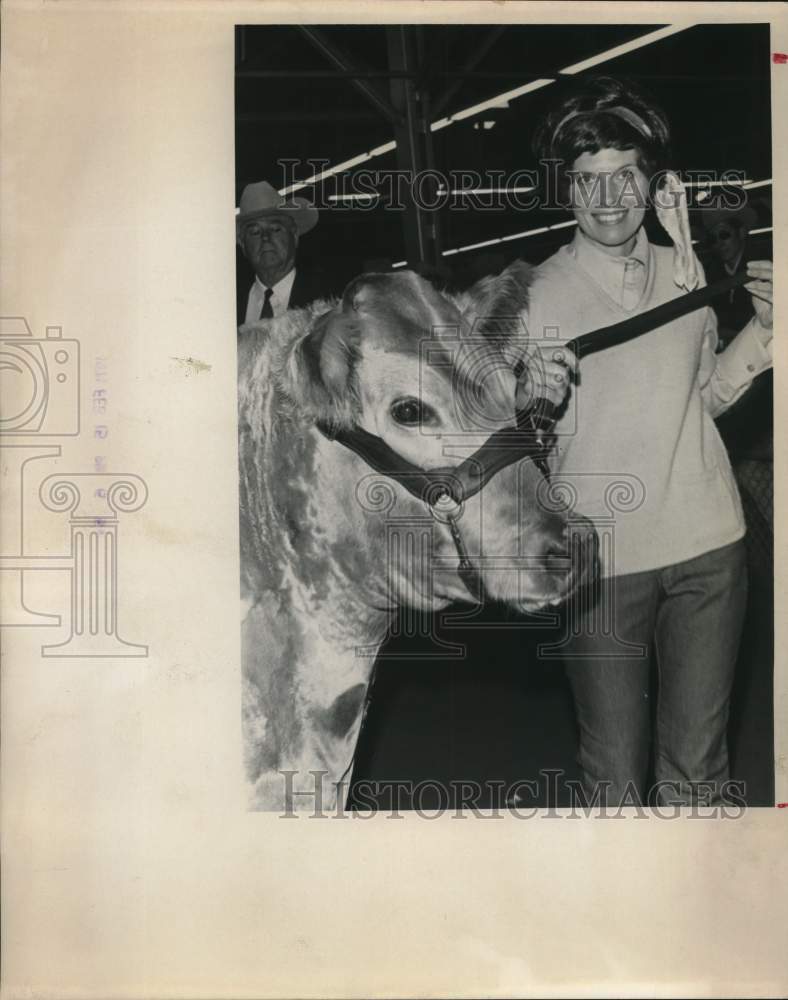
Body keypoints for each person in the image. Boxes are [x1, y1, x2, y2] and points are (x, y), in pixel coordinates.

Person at [525, 75, 773, 806]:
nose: (608, 200)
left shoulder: (688, 274)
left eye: (624, 175)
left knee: (699, 770)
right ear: (565, 192)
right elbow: (514, 453)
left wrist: (766, 329)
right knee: (612, 775)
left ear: (651, 181)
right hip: (599, 562)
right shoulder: (530, 295)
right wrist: (526, 403)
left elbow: (706, 397)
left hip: (707, 546)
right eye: (587, 181)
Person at [236, 180, 330, 326]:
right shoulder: (224, 303)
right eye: (254, 232)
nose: (265, 237)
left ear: (294, 235)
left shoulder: (326, 303)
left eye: (275, 229)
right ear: (243, 245)